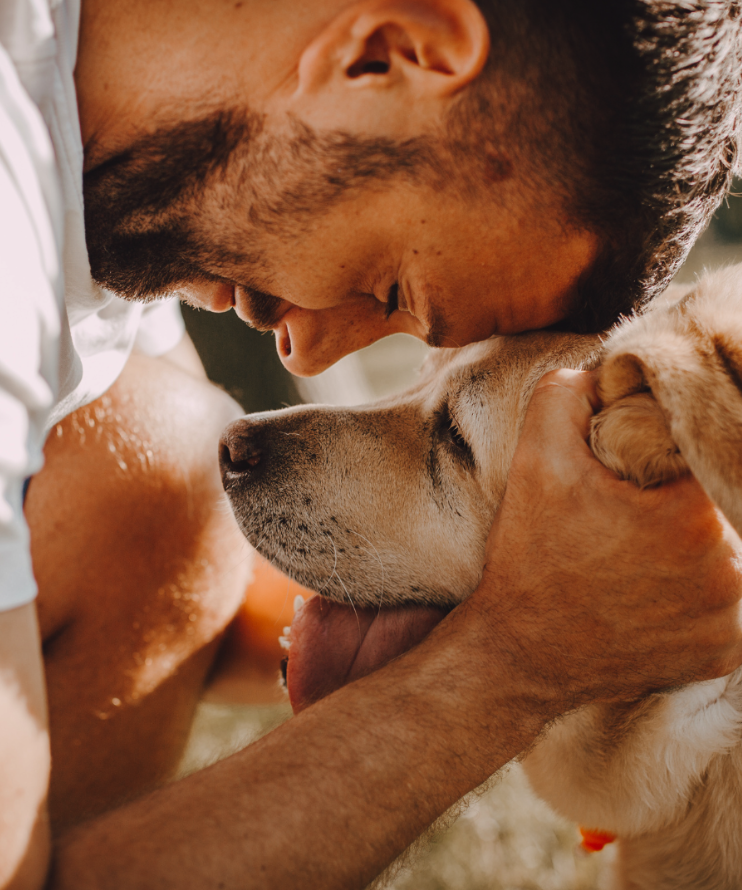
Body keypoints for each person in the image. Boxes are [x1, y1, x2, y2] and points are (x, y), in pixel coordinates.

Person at [3, 0, 742, 887]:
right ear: (391, 52)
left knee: (156, 464)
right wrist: (520, 661)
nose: (307, 351)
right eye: (391, 287)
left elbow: (184, 585)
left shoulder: (113, 151)